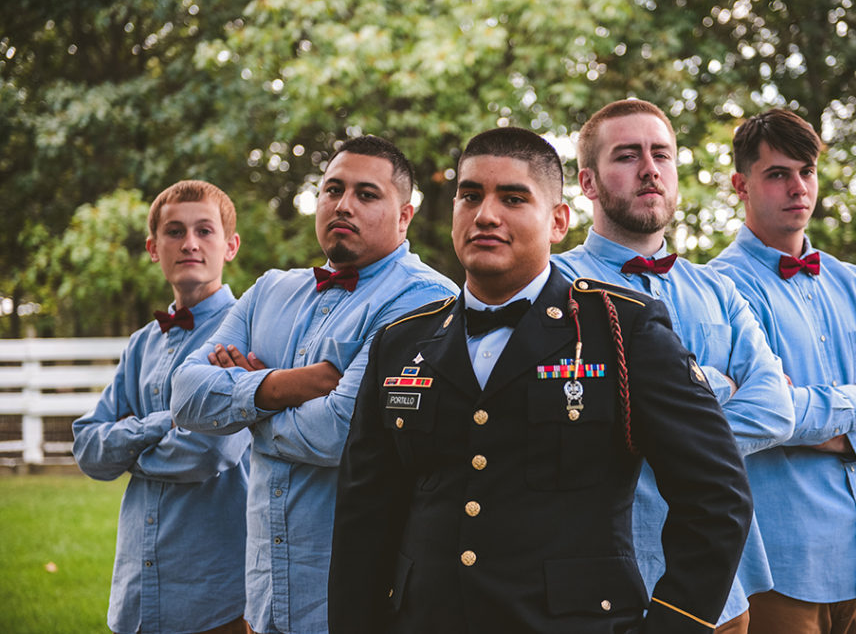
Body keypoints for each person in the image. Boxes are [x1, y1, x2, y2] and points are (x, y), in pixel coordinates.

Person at [328, 127, 752, 634]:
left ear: (557, 221)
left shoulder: (624, 328)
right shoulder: (401, 342)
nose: (485, 214)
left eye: (512, 198)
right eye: (470, 196)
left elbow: (717, 498)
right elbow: (364, 516)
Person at [170, 136, 457, 634]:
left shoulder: (425, 297)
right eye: (332, 190)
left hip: (360, 601)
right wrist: (285, 387)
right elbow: (185, 395)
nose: (343, 205)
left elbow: (341, 434)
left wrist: (244, 400)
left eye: (367, 194)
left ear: (405, 215)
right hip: (265, 595)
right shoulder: (271, 290)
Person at [552, 98, 794, 633]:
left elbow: (776, 406)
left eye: (661, 154)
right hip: (592, 588)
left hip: (718, 594)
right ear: (587, 183)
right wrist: (716, 389)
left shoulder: (720, 291)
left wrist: (646, 430)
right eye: (627, 156)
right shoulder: (553, 287)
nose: (649, 169)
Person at [709, 109, 856, 633]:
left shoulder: (854, 283)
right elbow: (770, 413)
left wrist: (841, 439)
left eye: (806, 171)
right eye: (778, 174)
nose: (797, 187)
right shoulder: (721, 289)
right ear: (740, 185)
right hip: (784, 565)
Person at [73, 180, 249, 634]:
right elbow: (88, 449)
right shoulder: (141, 345)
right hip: (136, 594)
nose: (189, 243)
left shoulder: (246, 333)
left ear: (229, 245)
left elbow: (208, 453)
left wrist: (128, 440)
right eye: (174, 231)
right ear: (154, 247)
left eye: (204, 230)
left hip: (216, 598)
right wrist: (166, 423)